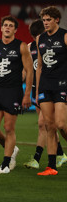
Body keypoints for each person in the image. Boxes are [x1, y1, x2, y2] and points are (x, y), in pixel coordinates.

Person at [0, 15, 33, 174]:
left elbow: (30, 70)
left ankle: (5, 163)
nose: (7, 28)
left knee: (8, 127)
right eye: (5, 25)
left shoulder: (21, 46)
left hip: (14, 92)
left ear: (15, 29)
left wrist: (27, 94)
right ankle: (12, 149)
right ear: (1, 27)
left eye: (11, 26)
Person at [23, 20, 67, 168]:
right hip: (39, 90)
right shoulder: (30, 48)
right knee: (49, 125)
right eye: (33, 36)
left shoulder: (52, 44)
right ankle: (60, 155)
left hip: (54, 87)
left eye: (38, 35)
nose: (36, 38)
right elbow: (29, 70)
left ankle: (37, 158)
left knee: (45, 124)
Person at [35, 6, 67, 176]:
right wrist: (37, 90)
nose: (45, 23)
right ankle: (51, 166)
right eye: (44, 20)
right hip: (45, 86)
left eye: (48, 20)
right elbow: (39, 66)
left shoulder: (65, 36)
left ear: (56, 20)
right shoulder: (40, 38)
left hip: (62, 84)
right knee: (50, 126)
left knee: (61, 124)